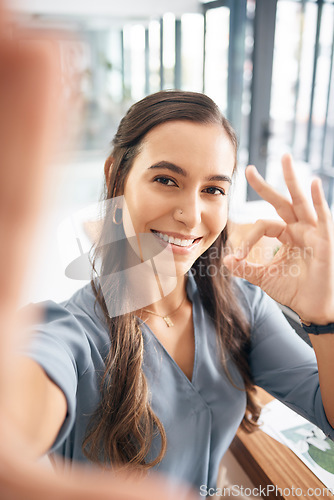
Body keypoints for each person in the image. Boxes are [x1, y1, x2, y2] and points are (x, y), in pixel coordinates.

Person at [1, 4, 334, 500]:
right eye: (165, 179)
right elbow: (17, 426)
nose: (190, 214)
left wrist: (323, 315)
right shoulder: (70, 332)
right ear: (116, 176)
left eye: (213, 190)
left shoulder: (242, 304)